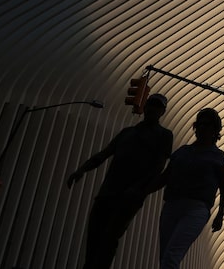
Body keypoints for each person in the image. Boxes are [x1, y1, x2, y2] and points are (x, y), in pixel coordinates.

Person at [66, 93, 172, 269]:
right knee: (94, 235)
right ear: (145, 107)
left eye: (157, 107)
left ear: (162, 112)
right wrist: (82, 169)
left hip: (129, 196)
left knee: (109, 237)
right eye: (151, 105)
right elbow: (104, 153)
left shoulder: (164, 135)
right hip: (108, 191)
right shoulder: (127, 133)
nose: (153, 109)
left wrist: (138, 188)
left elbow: (158, 166)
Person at [155, 107, 224, 269]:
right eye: (200, 124)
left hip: (196, 208)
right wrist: (140, 190)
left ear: (214, 130)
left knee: (171, 255)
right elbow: (164, 177)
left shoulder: (218, 157)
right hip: (172, 204)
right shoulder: (182, 152)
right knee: (165, 255)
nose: (202, 128)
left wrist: (220, 214)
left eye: (207, 125)